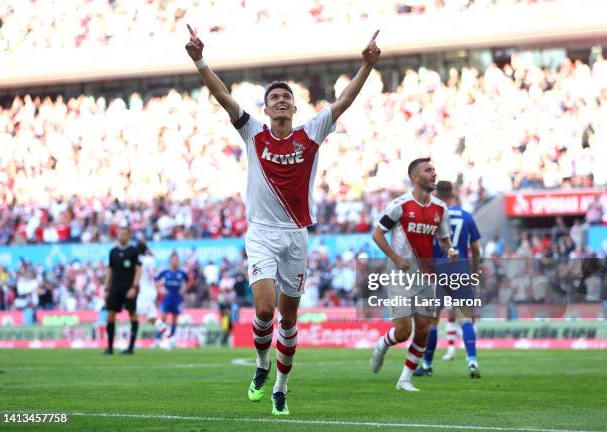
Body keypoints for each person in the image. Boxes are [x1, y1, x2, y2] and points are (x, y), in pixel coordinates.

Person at [185, 24, 381, 415]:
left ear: (293, 107)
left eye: (285, 98)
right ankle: (261, 366)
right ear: (265, 107)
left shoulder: (311, 133)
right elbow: (221, 93)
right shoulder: (252, 132)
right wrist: (199, 60)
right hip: (261, 233)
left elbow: (343, 102)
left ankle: (281, 388)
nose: (279, 101)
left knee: (289, 319)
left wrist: (367, 66)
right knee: (263, 310)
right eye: (273, 97)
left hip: (296, 235)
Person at [370, 158, 458, 391]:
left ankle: (404, 379)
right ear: (415, 177)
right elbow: (378, 234)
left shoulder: (441, 208)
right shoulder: (399, 205)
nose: (433, 174)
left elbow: (444, 238)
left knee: (423, 329)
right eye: (428, 170)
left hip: (426, 276)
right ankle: (382, 344)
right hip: (401, 274)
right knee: (403, 331)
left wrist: (450, 249)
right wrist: (396, 258)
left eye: (434, 170)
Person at [413, 180, 482, 379]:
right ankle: (472, 361)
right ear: (453, 194)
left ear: (435, 194)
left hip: (437, 272)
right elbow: (476, 249)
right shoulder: (467, 216)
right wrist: (474, 272)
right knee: (465, 318)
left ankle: (427, 365)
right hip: (461, 270)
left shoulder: (432, 216)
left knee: (433, 321)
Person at [103, 222, 142, 355]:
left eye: (124, 234)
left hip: (128, 288)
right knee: (110, 315)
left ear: (129, 235)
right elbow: (110, 270)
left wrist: (134, 287)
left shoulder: (133, 251)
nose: (121, 236)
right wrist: (106, 288)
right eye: (119, 233)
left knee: (132, 314)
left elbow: (138, 270)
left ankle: (130, 347)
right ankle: (109, 347)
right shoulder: (113, 252)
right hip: (115, 288)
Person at [136, 240, 167, 347]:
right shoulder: (151, 260)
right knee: (151, 317)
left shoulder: (138, 260)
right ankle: (168, 336)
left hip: (144, 292)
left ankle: (132, 341)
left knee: (135, 313)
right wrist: (146, 246)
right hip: (152, 290)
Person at [155, 252, 189, 349]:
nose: (176, 262)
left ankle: (172, 339)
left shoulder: (181, 273)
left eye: (177, 260)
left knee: (175, 319)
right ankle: (158, 339)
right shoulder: (165, 272)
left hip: (177, 298)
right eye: (174, 260)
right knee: (163, 318)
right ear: (170, 261)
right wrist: (160, 290)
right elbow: (156, 281)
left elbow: (189, 281)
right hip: (167, 298)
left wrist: (184, 290)